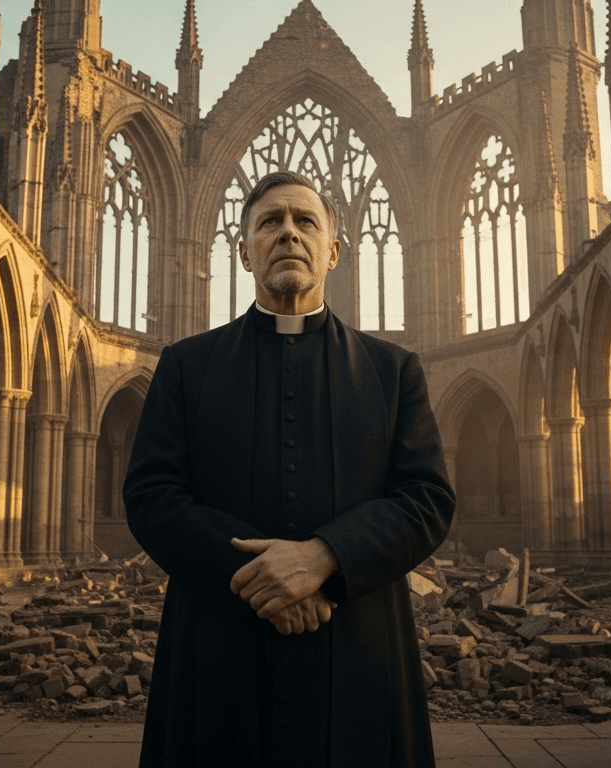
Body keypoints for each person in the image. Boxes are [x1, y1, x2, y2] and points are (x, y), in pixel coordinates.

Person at [123, 170, 456, 767]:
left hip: (357, 647)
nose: (288, 233)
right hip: (219, 645)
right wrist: (265, 581)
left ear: (333, 250)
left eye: (305, 221)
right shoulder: (185, 367)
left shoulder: (393, 370)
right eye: (269, 222)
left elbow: (427, 498)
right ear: (243, 251)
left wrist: (325, 559)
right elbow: (152, 495)